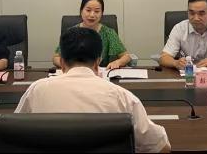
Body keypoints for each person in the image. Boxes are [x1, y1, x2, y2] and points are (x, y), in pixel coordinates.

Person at [18, 27, 170, 153]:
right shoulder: (121, 97)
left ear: (62, 63)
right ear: (98, 63)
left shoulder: (37, 90)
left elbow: (13, 134)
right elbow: (161, 147)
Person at [52, 0, 131, 70]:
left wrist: (117, 62)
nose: (92, 15)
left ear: (102, 13)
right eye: (88, 10)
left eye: (97, 11)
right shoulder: (71, 32)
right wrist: (68, 66)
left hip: (101, 75)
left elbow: (126, 57)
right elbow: (56, 58)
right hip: (74, 73)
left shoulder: (109, 33)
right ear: (81, 11)